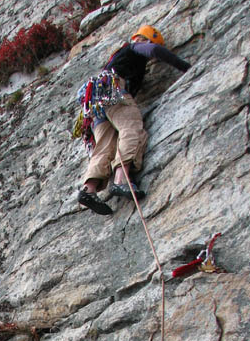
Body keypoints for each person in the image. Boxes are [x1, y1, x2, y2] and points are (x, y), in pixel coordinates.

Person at [75, 24, 191, 215]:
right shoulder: (133, 47)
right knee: (131, 127)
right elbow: (153, 49)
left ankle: (89, 188)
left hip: (96, 105)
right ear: (143, 39)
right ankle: (121, 180)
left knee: (105, 145)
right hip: (112, 92)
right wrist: (186, 67)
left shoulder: (116, 59)